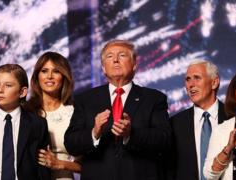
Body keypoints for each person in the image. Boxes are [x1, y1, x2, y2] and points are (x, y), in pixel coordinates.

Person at [64, 39, 171, 180]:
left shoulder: (154, 98)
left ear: (134, 65)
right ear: (103, 68)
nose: (115, 60)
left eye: (122, 55)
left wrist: (131, 134)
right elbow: (71, 143)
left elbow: (164, 140)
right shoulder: (85, 99)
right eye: (109, 56)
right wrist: (94, 132)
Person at [0, 64, 51, 180]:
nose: (0, 90)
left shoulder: (38, 124)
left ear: (22, 92)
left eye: (8, 85)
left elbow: (42, 167)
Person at [169, 60, 229, 180]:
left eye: (197, 78)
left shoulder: (235, 117)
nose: (191, 84)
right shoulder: (174, 124)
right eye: (188, 79)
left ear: (214, 82)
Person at [26, 51, 81, 179]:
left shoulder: (75, 112)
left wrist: (59, 164)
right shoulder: (25, 111)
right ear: (37, 77)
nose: (49, 76)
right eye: (44, 71)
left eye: (56, 71)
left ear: (64, 76)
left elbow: (89, 166)